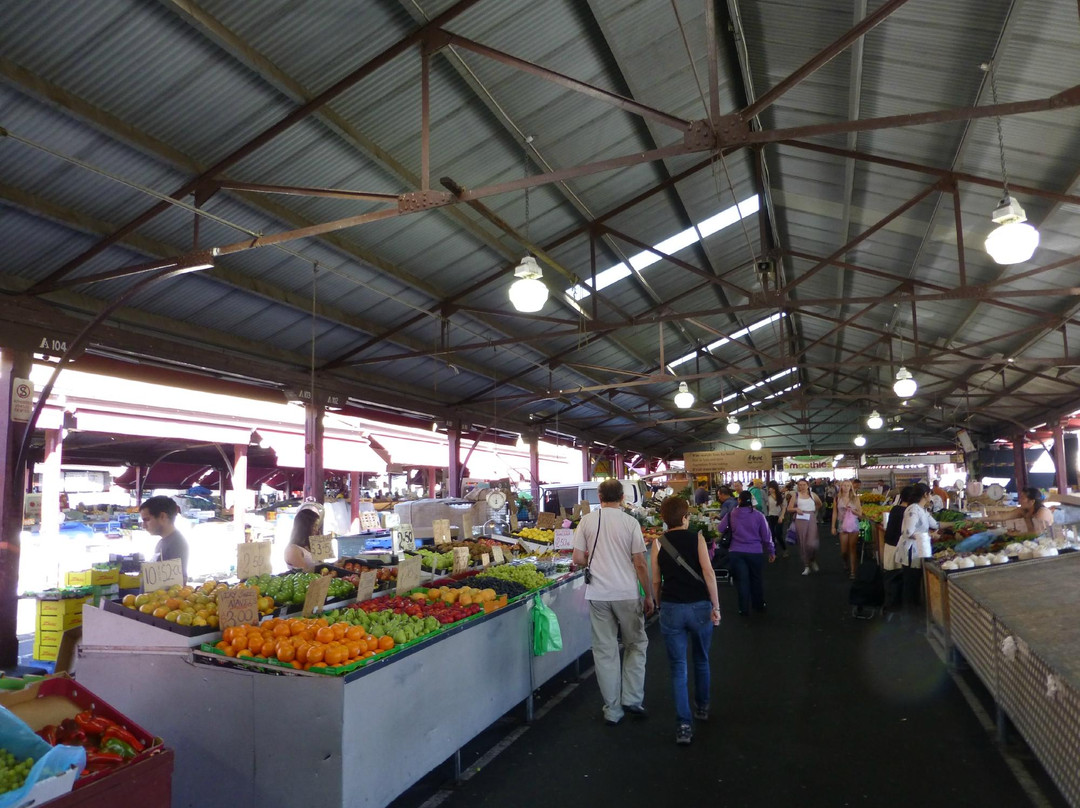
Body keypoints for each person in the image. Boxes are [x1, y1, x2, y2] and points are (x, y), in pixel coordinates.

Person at [572, 478, 655, 726]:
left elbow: (577, 557)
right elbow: (640, 562)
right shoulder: (630, 522)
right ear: (622, 498)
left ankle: (612, 710)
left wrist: (594, 563)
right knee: (636, 644)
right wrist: (648, 594)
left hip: (598, 594)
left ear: (599, 496)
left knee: (605, 651)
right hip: (627, 593)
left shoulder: (587, 520)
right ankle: (632, 698)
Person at [650, 495, 720, 745]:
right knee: (701, 659)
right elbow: (708, 573)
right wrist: (716, 606)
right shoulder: (697, 538)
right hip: (699, 607)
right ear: (684, 518)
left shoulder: (658, 544)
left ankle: (683, 725)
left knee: (678, 667)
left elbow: (656, 580)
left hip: (671, 608)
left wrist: (658, 602)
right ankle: (702, 707)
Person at [718, 491, 775, 615]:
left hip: (736, 552)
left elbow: (720, 528)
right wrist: (771, 551)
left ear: (739, 501)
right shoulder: (759, 515)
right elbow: (766, 536)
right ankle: (758, 604)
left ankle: (743, 608)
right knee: (756, 578)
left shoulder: (731, 514)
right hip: (755, 552)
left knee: (742, 580)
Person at [895, 483, 939, 611]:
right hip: (911, 551)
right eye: (930, 493)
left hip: (918, 550)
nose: (931, 496)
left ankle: (913, 611)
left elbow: (936, 524)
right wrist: (929, 535)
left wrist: (960, 523)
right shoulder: (913, 509)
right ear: (925, 495)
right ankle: (909, 615)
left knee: (915, 582)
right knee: (911, 583)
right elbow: (908, 532)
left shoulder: (922, 510)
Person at [882, 485, 916, 616]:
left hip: (890, 547)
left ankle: (891, 607)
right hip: (897, 548)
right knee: (896, 579)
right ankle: (895, 608)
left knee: (892, 578)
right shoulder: (907, 512)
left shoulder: (896, 508)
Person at [140, 495, 188, 583]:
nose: (143, 526)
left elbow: (175, 585)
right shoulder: (162, 542)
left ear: (162, 516)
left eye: (146, 520)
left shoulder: (177, 544)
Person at [788, 479, 822, 576]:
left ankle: (813, 559)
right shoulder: (796, 495)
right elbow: (789, 508)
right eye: (800, 485)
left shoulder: (813, 495)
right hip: (800, 519)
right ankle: (806, 565)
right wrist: (796, 509)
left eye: (803, 485)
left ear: (807, 485)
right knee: (803, 542)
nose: (802, 487)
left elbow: (819, 504)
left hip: (811, 518)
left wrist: (812, 511)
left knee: (812, 542)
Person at [831, 479, 863, 580]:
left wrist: (853, 510)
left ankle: (853, 571)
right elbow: (835, 513)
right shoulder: (837, 498)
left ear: (851, 487)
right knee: (844, 550)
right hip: (842, 524)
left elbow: (860, 514)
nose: (846, 487)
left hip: (853, 524)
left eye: (848, 486)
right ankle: (845, 561)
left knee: (852, 548)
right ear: (841, 487)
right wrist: (833, 526)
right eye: (844, 485)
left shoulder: (855, 499)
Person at [989, 487, 1054, 534]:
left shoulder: (1042, 512)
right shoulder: (1024, 510)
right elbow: (1002, 517)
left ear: (1032, 501)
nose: (1019, 500)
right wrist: (981, 519)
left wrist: (1016, 534)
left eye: (1022, 498)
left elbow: (1039, 534)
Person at [284, 501, 323, 571]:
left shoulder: (312, 544)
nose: (316, 529)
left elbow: (322, 564)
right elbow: (303, 572)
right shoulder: (292, 549)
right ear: (305, 527)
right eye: (314, 526)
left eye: (317, 526)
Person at [765, 480, 786, 558]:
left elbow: (783, 507)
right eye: (769, 487)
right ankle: (774, 553)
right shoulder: (767, 497)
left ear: (775, 488)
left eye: (771, 488)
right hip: (771, 516)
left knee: (778, 534)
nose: (770, 489)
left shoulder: (780, 496)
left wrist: (782, 516)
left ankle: (784, 549)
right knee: (772, 535)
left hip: (779, 517)